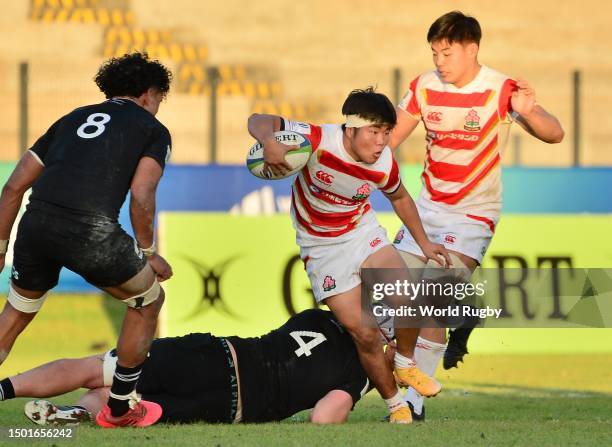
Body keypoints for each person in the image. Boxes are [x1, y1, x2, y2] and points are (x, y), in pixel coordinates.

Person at [390, 11, 564, 420]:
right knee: (395, 297)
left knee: (429, 300)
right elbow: (391, 138)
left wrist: (530, 110)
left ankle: (412, 408)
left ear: (472, 49)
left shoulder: (500, 89)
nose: (439, 61)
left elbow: (555, 133)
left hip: (473, 214)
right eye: (434, 53)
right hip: (427, 210)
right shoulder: (423, 87)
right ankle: (464, 312)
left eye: (446, 53)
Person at [248, 88, 452, 424]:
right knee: (366, 334)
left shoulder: (384, 163)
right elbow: (257, 119)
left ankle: (404, 363)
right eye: (374, 132)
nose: (381, 142)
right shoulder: (317, 139)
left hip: (362, 232)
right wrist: (270, 141)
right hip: (322, 248)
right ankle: (395, 405)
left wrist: (425, 243)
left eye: (387, 133)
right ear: (350, 129)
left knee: (407, 299)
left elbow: (400, 198)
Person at [0, 52, 175, 428]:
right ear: (147, 93)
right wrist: (148, 254)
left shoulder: (72, 118)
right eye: (160, 97)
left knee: (15, 315)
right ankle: (119, 407)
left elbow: (13, 187)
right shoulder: (152, 129)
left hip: (36, 225)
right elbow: (142, 195)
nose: (158, 106)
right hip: (89, 231)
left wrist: (0, 248)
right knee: (149, 302)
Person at [7, 309, 375, 425]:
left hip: (216, 356)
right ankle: (77, 413)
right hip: (227, 409)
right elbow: (324, 419)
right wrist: (368, 384)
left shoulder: (316, 316)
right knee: (128, 403)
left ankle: (6, 389)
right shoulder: (359, 373)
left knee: (102, 371)